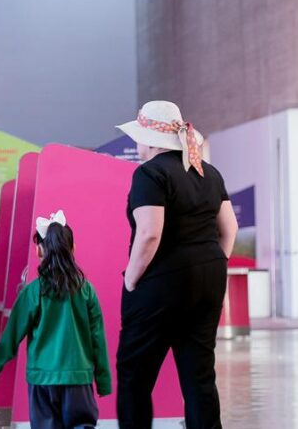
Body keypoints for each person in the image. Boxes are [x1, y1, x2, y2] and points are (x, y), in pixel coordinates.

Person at [113, 101, 238, 429]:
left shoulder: (149, 173)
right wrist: (213, 262)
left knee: (134, 376)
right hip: (209, 281)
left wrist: (131, 279)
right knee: (199, 376)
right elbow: (230, 229)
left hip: (161, 284)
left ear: (151, 141)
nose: (137, 145)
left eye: (139, 138)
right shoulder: (208, 172)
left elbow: (150, 234)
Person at [0, 211, 112, 429]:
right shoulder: (86, 290)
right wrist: (103, 381)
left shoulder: (33, 292)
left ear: (39, 250)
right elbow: (98, 339)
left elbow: (10, 339)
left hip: (42, 380)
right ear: (73, 248)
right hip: (79, 378)